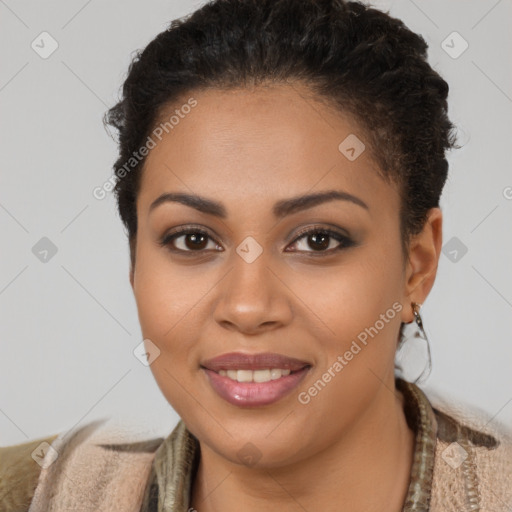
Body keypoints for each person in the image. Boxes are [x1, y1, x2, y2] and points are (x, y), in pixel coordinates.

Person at [2, 0, 511, 511]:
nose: (247, 307)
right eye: (193, 240)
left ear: (416, 265)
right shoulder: (26, 496)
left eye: (317, 240)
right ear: (135, 263)